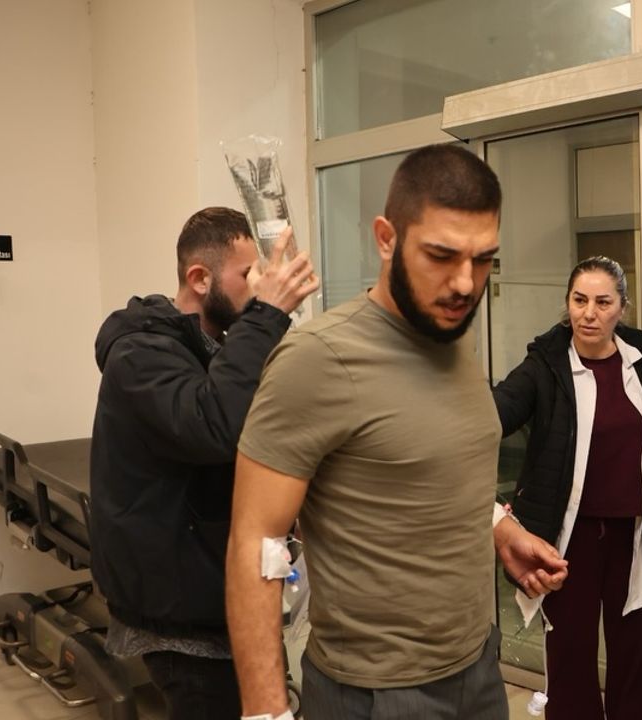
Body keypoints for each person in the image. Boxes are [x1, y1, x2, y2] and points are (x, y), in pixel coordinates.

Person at [224, 143, 569, 720]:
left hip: (478, 669)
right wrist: (267, 715)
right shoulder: (319, 358)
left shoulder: (451, 335)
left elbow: (423, 456)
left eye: (484, 259)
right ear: (386, 238)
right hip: (376, 693)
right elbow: (254, 544)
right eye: (441, 255)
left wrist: (499, 529)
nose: (465, 283)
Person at [89, 207, 318, 720]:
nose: (257, 285)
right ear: (199, 278)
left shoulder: (214, 347)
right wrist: (267, 314)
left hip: (217, 590)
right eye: (247, 274)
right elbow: (212, 424)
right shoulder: (140, 353)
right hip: (179, 616)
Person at [491, 255, 642, 720]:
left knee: (637, 661)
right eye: (580, 300)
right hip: (568, 541)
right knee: (570, 661)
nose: (589, 313)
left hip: (636, 537)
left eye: (603, 302)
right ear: (567, 303)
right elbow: (497, 412)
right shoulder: (545, 364)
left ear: (622, 307)